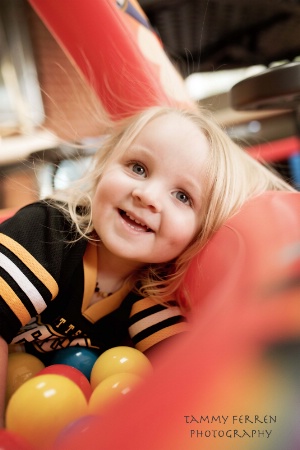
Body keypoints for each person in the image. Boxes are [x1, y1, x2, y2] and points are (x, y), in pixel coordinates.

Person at [0, 105, 296, 425]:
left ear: (200, 234)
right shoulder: (46, 232)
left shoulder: (151, 295)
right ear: (104, 164)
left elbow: (185, 382)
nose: (148, 196)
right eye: (138, 168)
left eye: (182, 196)